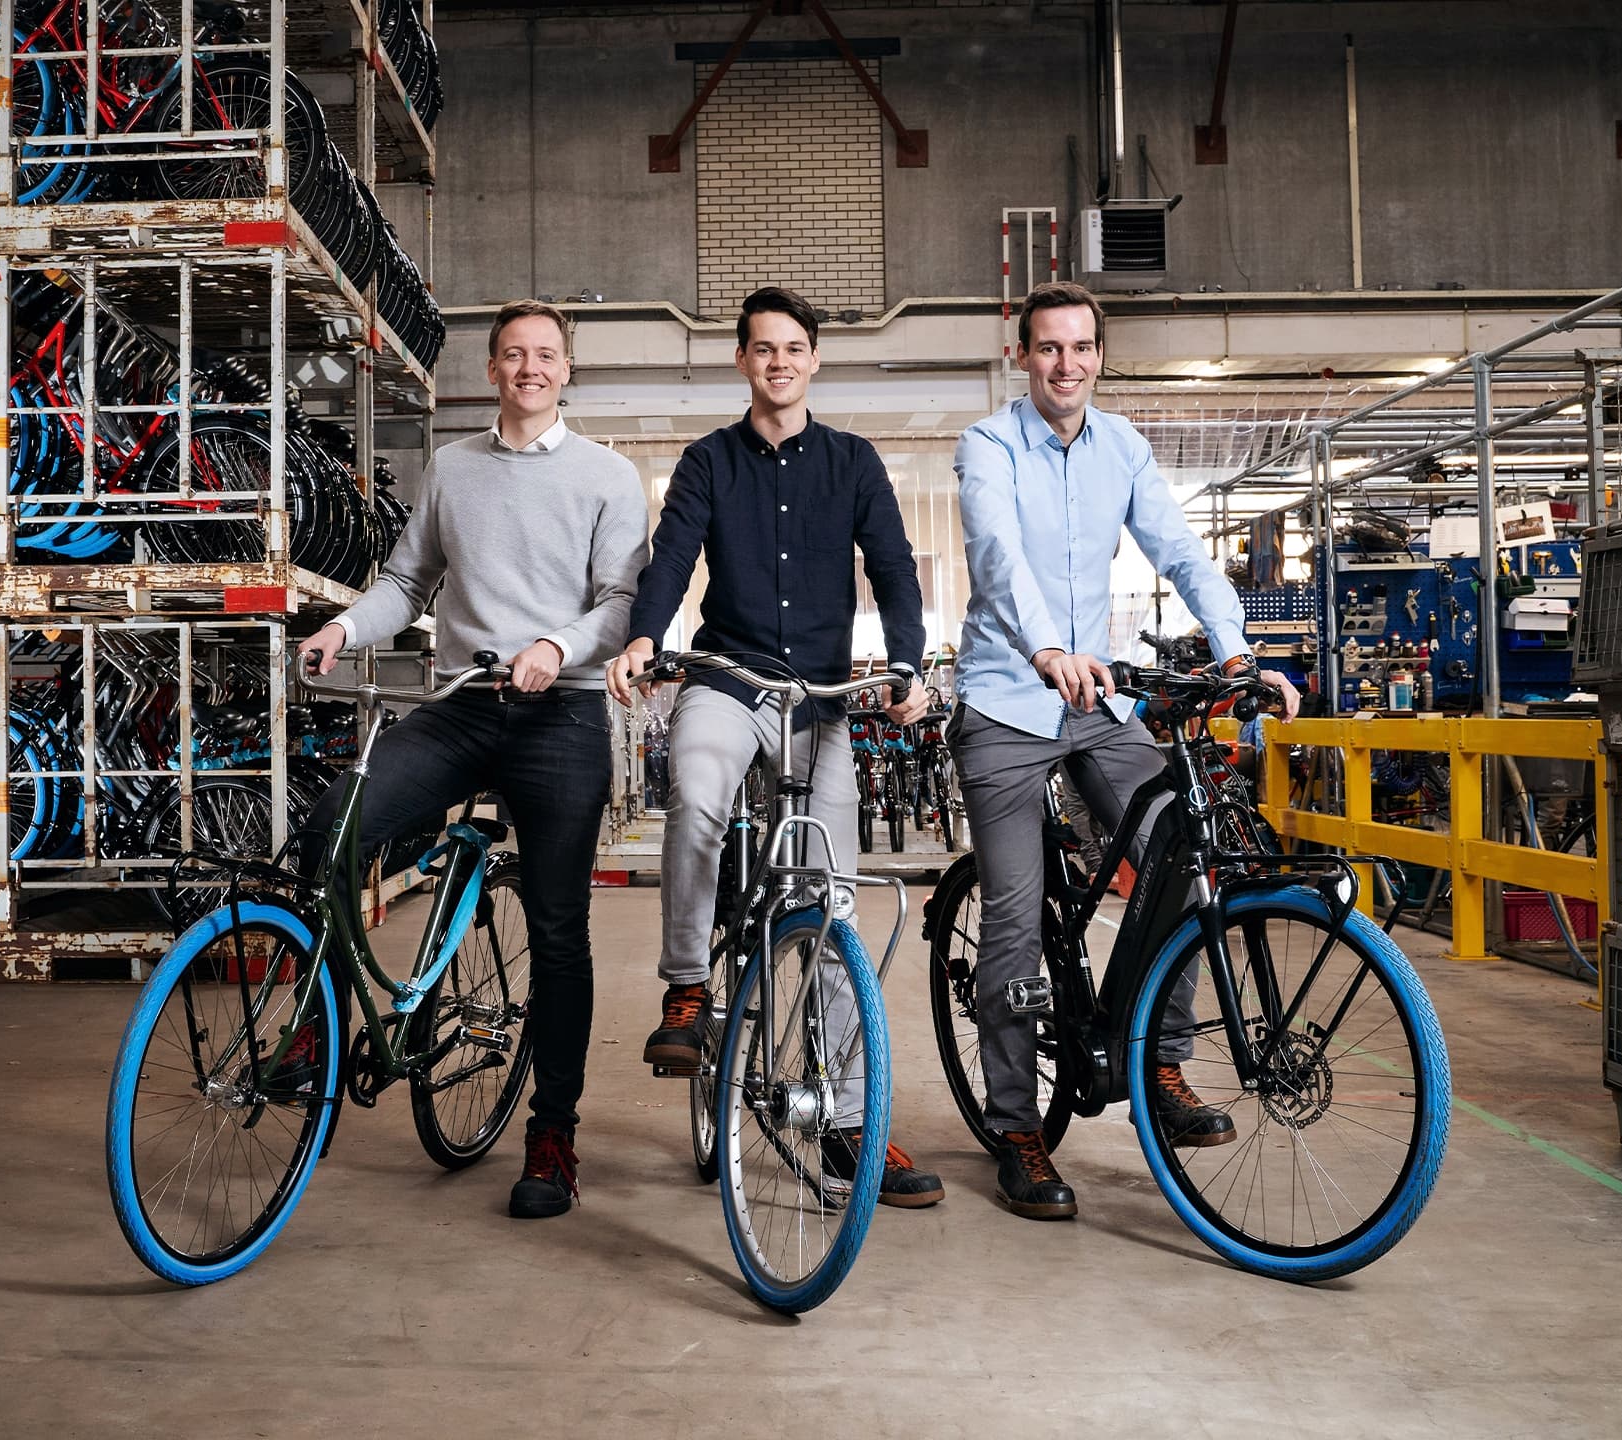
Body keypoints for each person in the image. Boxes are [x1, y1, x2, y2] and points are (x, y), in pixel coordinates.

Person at [950, 281, 1301, 1221]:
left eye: (1083, 348)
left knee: (1182, 862)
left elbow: (1180, 550)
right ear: (1023, 355)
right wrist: (1044, 649)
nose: (1067, 365)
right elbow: (995, 555)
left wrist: (1236, 647)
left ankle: (1164, 1064)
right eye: (1049, 348)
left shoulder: (1125, 449)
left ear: (1102, 355)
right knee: (1017, 918)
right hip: (1007, 697)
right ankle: (1017, 1124)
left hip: (1096, 699)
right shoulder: (987, 445)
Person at [296, 299, 648, 1220]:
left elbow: (620, 602)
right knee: (336, 823)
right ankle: (319, 1032)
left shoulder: (610, 476)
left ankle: (553, 1130)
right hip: (463, 705)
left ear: (567, 371)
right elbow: (409, 581)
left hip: (560, 714)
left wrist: (555, 649)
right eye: (513, 354)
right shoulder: (452, 467)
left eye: (546, 355)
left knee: (560, 925)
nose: (530, 367)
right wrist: (342, 625)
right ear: (491, 369)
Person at [606, 286, 944, 1208]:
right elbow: (672, 556)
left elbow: (894, 568)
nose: (779, 361)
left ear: (814, 360)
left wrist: (907, 661)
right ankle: (686, 990)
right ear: (745, 361)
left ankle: (843, 1119)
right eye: (763, 349)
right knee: (701, 791)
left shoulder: (854, 462)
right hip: (729, 679)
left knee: (830, 904)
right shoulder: (710, 460)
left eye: (794, 348)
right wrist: (645, 636)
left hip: (822, 698)